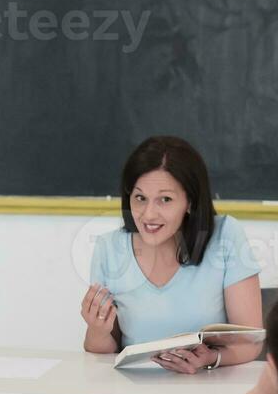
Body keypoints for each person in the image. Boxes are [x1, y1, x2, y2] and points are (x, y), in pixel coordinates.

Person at [83, 136, 261, 372]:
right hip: (134, 392)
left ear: (190, 201)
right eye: (140, 198)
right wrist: (97, 329)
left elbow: (251, 342)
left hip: (206, 389)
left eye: (165, 199)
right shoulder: (109, 247)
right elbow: (102, 352)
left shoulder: (226, 235)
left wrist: (209, 358)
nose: (148, 214)